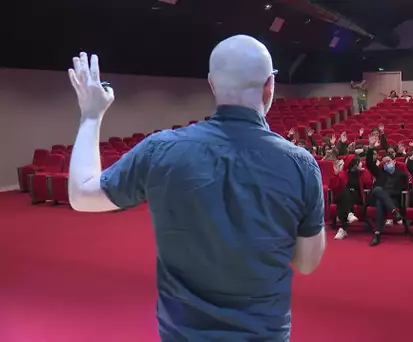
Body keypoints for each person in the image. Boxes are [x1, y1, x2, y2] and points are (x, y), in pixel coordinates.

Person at [67, 35, 326, 341]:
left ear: (212, 84)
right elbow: (306, 263)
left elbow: (82, 195)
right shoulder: (300, 164)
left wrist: (91, 115)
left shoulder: (160, 150)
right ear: (269, 85)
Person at [366, 135, 409, 247]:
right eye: (384, 163)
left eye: (388, 161)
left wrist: (386, 195)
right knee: (378, 189)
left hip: (392, 200)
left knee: (381, 202)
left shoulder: (401, 175)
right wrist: (371, 147)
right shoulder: (380, 172)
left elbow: (400, 191)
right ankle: (394, 212)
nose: (386, 164)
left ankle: (377, 234)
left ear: (394, 161)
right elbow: (369, 164)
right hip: (375, 197)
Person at [331, 156, 373, 240]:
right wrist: (336, 174)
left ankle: (344, 228)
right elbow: (333, 186)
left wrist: (364, 171)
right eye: (358, 162)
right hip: (344, 198)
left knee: (350, 191)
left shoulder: (361, 173)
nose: (361, 163)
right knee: (346, 192)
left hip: (357, 198)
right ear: (354, 165)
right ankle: (348, 217)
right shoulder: (343, 173)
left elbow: (369, 182)